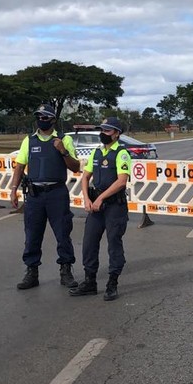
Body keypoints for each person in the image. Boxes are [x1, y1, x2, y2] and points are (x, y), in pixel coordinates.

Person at [9, 104, 81, 290]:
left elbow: (75, 167)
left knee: (63, 233)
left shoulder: (63, 140)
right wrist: (13, 188)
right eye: (38, 116)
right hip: (34, 195)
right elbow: (19, 166)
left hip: (57, 194)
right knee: (32, 234)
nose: (41, 120)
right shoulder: (29, 140)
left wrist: (62, 151)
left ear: (52, 120)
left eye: (45, 117)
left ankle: (66, 270)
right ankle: (31, 272)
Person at [70, 117, 131, 301]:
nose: (103, 134)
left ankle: (112, 283)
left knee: (114, 244)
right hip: (95, 205)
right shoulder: (96, 153)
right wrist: (87, 198)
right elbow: (85, 177)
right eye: (102, 130)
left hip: (114, 206)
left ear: (117, 133)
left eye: (107, 131)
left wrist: (101, 198)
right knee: (89, 243)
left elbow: (121, 181)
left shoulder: (121, 154)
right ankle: (90, 281)